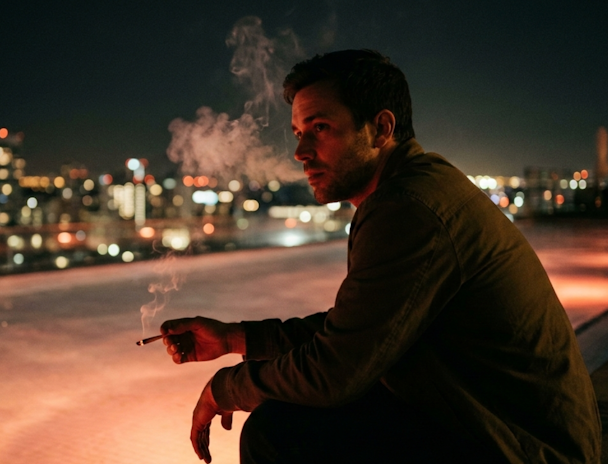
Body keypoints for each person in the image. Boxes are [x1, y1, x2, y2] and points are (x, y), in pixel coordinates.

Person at [160, 50, 601, 463]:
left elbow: (337, 369)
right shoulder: (417, 185)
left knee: (278, 434)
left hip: (523, 447)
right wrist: (236, 339)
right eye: (298, 133)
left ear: (381, 129)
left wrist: (228, 387)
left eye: (320, 129)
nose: (300, 153)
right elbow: (359, 330)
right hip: (501, 425)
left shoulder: (408, 208)